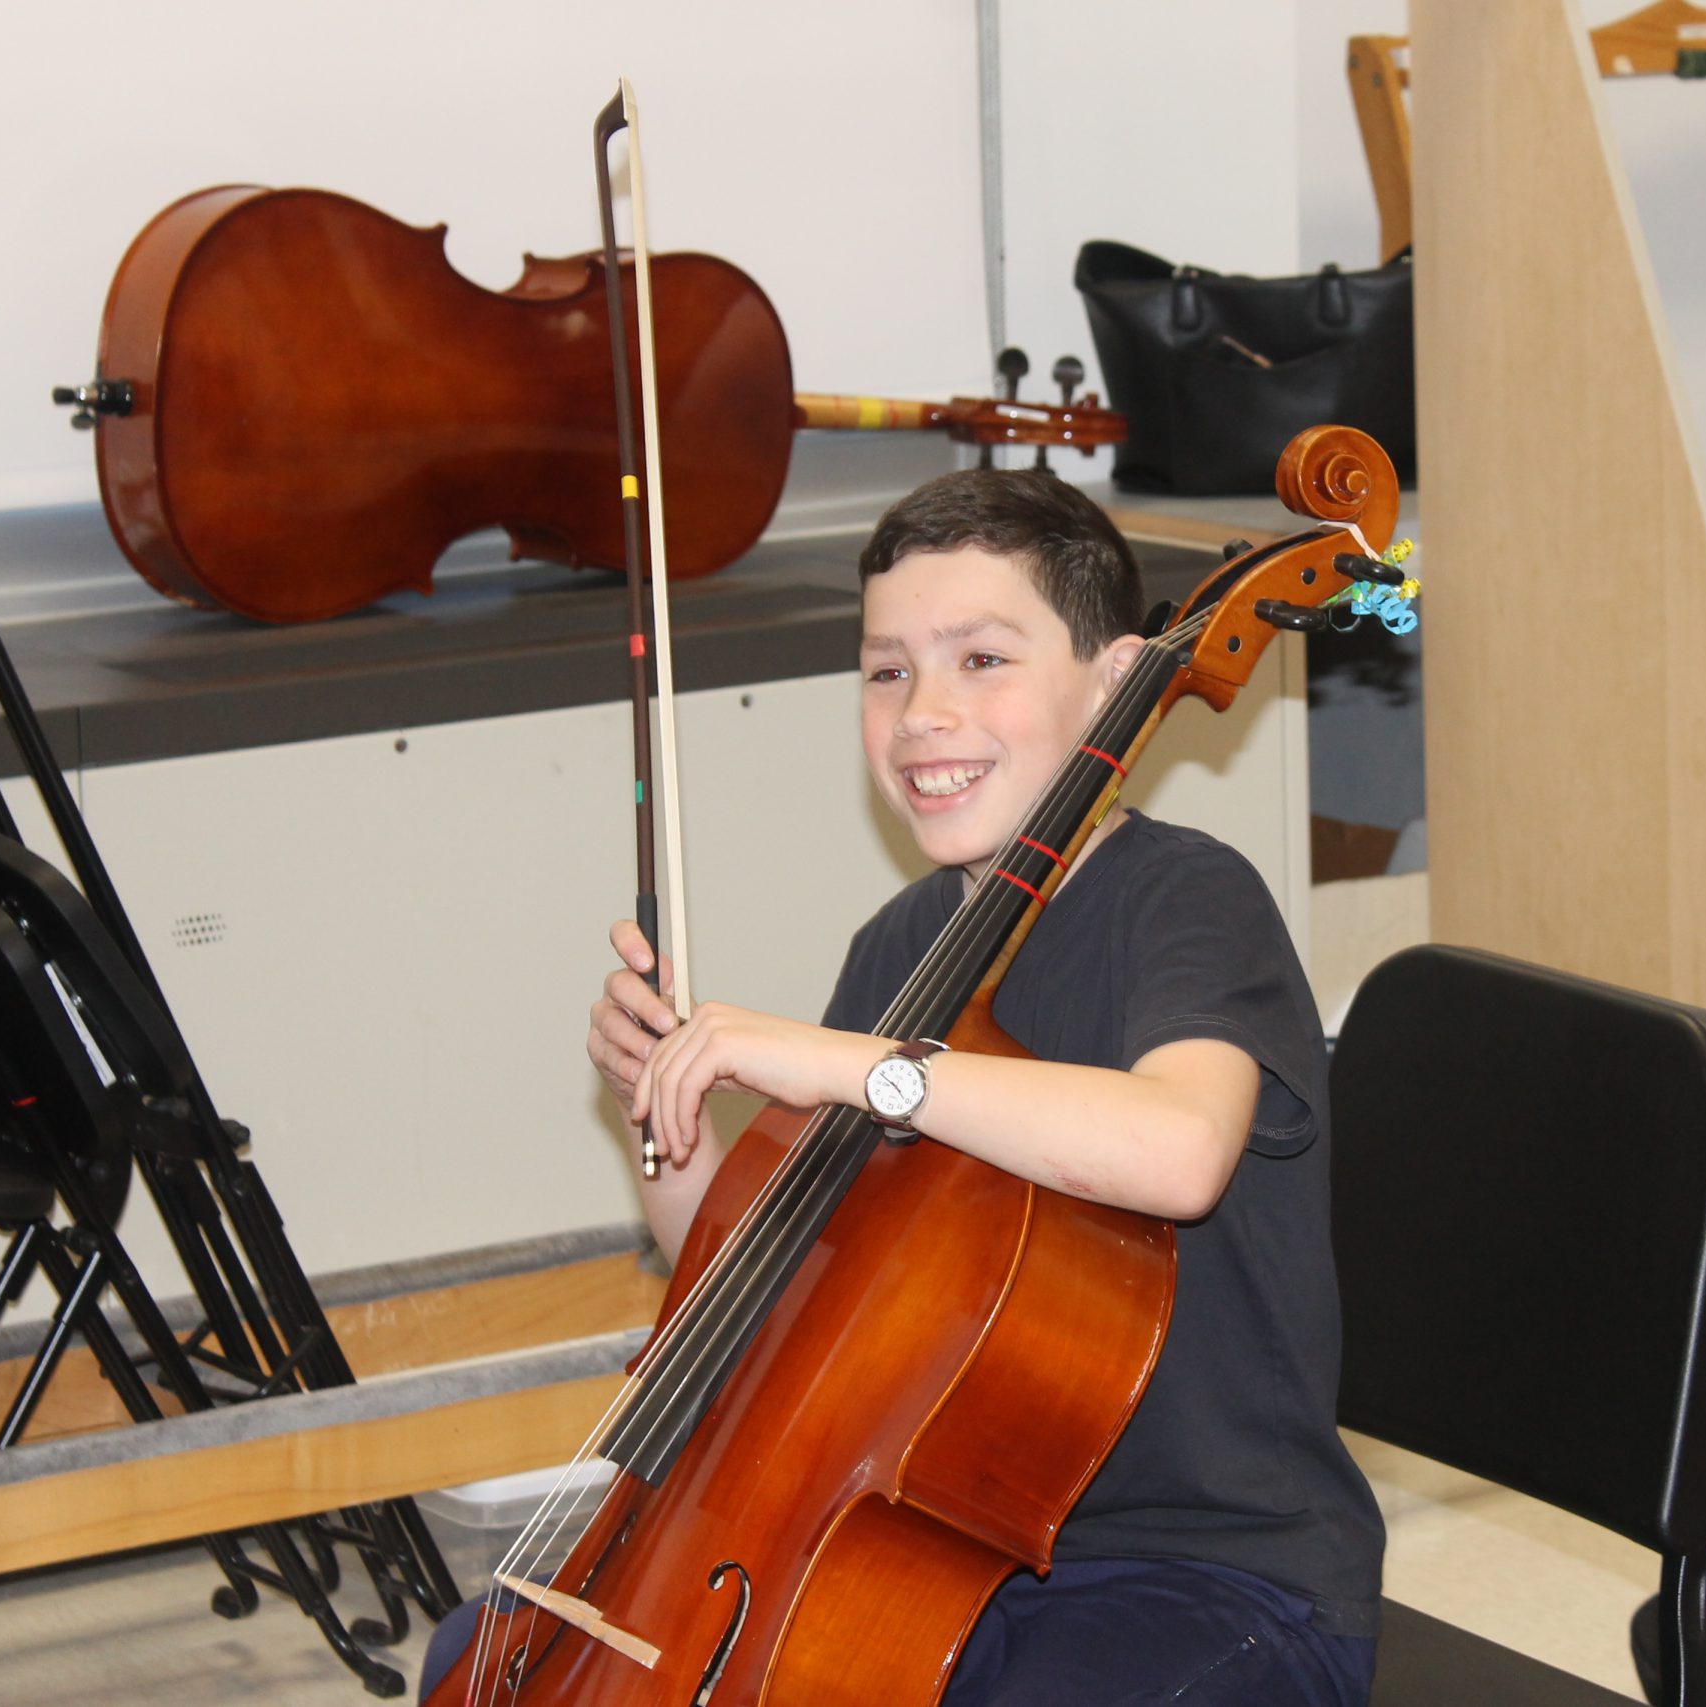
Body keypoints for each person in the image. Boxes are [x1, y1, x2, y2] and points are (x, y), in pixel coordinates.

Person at [421, 468, 1382, 1705]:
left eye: (981, 659)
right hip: (921, 1541)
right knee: (479, 1663)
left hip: (1202, 1577)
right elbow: (767, 1296)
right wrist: (659, 1119)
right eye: (886, 671)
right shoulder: (902, 949)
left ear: (1113, 677)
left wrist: (851, 1065)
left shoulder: (1183, 899)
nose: (924, 711)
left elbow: (1180, 1150)